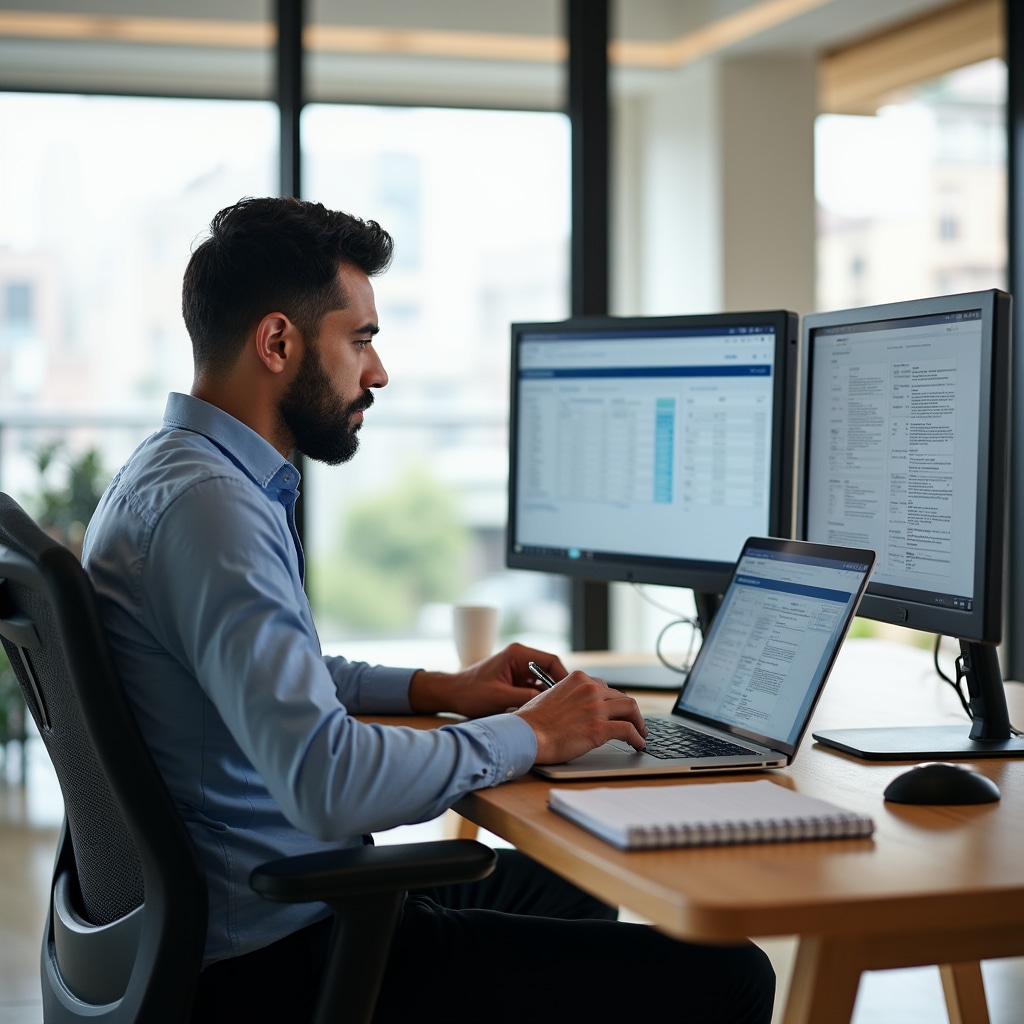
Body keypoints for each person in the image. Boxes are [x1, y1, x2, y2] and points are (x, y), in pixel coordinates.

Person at [82, 196, 775, 1023]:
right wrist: (534, 734)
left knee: (565, 880)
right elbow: (326, 784)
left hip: (245, 918)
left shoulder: (173, 473)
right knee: (730, 977)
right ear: (278, 342)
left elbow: (275, 679)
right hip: (275, 961)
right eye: (362, 338)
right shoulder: (214, 511)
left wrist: (442, 688)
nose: (377, 372)